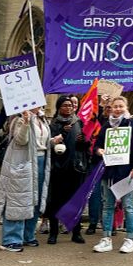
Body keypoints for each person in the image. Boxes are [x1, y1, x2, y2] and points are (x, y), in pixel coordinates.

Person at [92, 96, 133, 254]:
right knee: (107, 206)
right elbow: (98, 145)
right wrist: (98, 150)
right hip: (109, 172)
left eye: (121, 106)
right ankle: (106, 239)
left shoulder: (132, 125)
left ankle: (130, 239)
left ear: (126, 107)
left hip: (126, 172)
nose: (117, 109)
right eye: (115, 106)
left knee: (128, 206)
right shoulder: (106, 126)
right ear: (111, 108)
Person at [0, 107, 51, 252]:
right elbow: (21, 140)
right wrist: (26, 122)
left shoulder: (42, 118)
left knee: (34, 200)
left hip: (41, 161)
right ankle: (11, 240)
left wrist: (52, 141)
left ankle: (28, 235)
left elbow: (40, 141)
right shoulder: (18, 119)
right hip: (23, 163)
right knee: (18, 200)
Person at [43, 95, 85, 244]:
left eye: (70, 105)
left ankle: (76, 232)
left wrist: (83, 141)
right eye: (65, 105)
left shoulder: (79, 122)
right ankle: (53, 232)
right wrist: (63, 132)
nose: (68, 108)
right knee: (56, 202)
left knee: (75, 201)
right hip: (58, 169)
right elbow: (48, 145)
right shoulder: (53, 124)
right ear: (59, 108)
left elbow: (85, 146)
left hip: (75, 168)